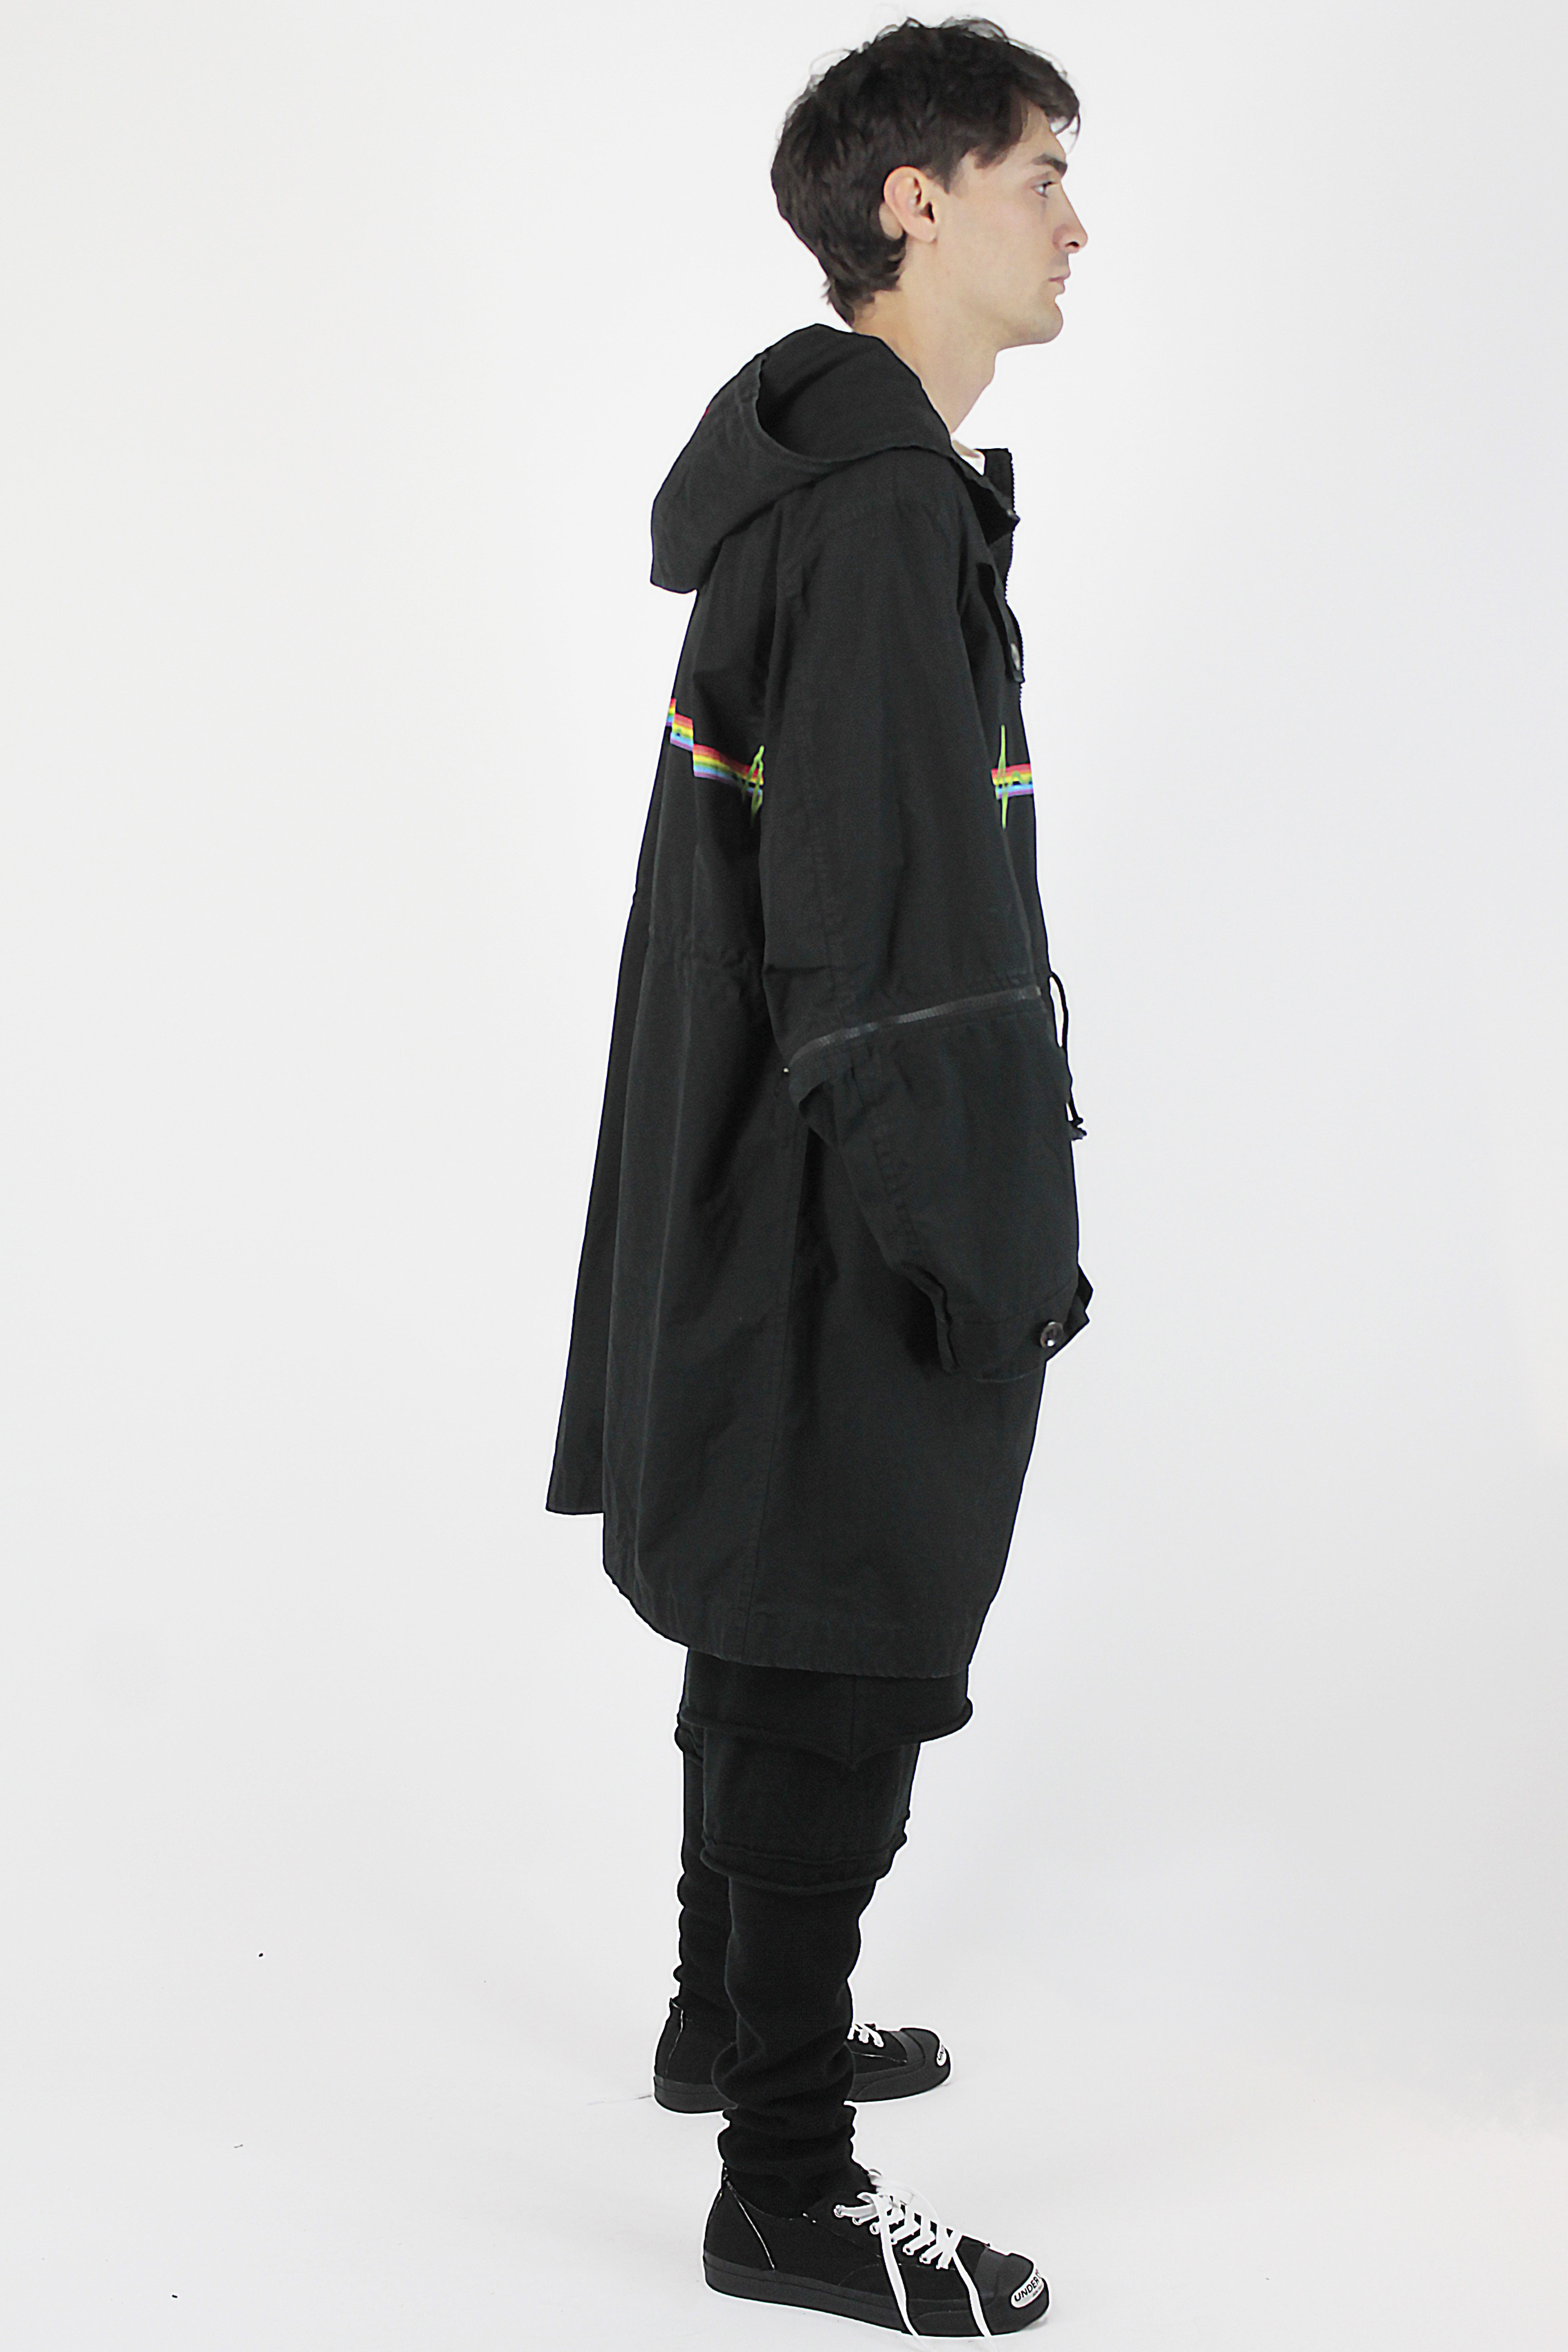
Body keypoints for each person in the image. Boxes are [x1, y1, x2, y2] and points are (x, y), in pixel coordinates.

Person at [546, 15, 1091, 2335]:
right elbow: (880, 943)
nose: (1077, 225)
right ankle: (784, 2183)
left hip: (760, 1157)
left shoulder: (843, 482)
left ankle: (723, 2017)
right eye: (1042, 175)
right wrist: (981, 1241)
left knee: (779, 1598)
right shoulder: (872, 513)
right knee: (838, 1630)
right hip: (841, 1183)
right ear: (914, 203)